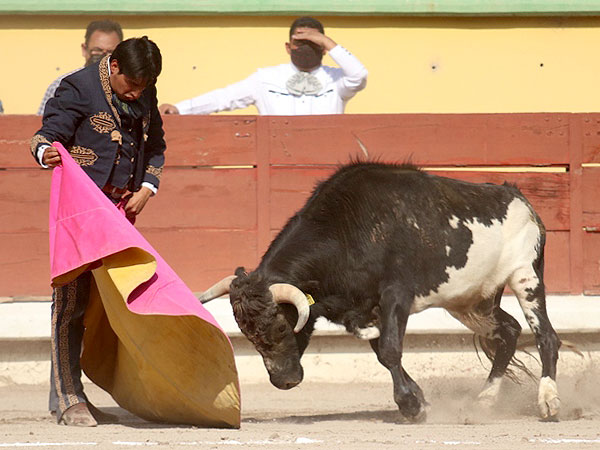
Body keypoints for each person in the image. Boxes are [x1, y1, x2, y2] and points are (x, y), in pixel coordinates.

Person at [30, 36, 166, 427]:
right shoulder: (79, 86)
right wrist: (44, 153)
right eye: (133, 85)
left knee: (109, 306)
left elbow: (155, 143)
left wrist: (148, 186)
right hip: (80, 210)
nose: (138, 93)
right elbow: (46, 134)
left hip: (120, 213)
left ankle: (74, 393)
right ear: (115, 66)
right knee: (71, 300)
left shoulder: (144, 85)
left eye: (144, 87)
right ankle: (69, 397)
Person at [159, 17, 367, 116]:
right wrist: (180, 108)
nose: (305, 48)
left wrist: (328, 42)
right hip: (276, 161)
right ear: (288, 47)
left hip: (325, 162)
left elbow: (359, 75)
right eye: (300, 42)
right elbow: (224, 97)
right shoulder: (267, 78)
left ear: (323, 48)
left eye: (313, 43)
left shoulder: (337, 79)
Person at [37, 20, 123, 115]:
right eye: (97, 50)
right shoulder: (62, 84)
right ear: (84, 49)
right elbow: (42, 123)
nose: (104, 56)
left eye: (110, 52)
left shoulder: (128, 86)